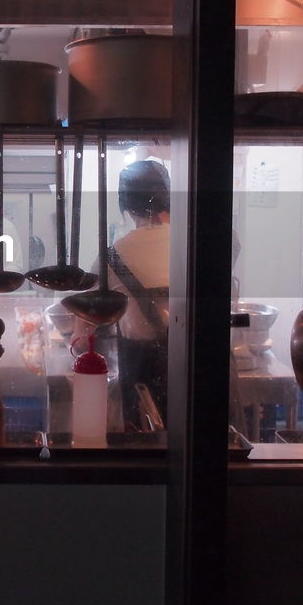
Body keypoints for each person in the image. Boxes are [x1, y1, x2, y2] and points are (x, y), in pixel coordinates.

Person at [103, 159, 172, 424]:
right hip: (199, 371)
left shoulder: (114, 254)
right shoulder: (195, 241)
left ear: (127, 206)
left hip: (143, 378)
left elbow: (82, 321)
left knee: (146, 450)